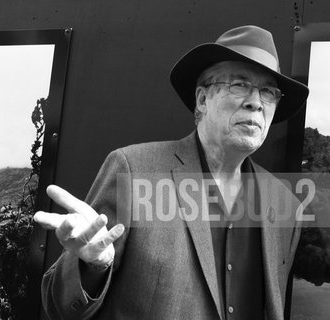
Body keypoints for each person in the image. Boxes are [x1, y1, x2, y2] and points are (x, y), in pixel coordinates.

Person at [34, 26, 309, 319]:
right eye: (240, 84)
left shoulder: (285, 206)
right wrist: (92, 267)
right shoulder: (134, 171)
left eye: (268, 92)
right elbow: (58, 306)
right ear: (203, 100)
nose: (256, 102)